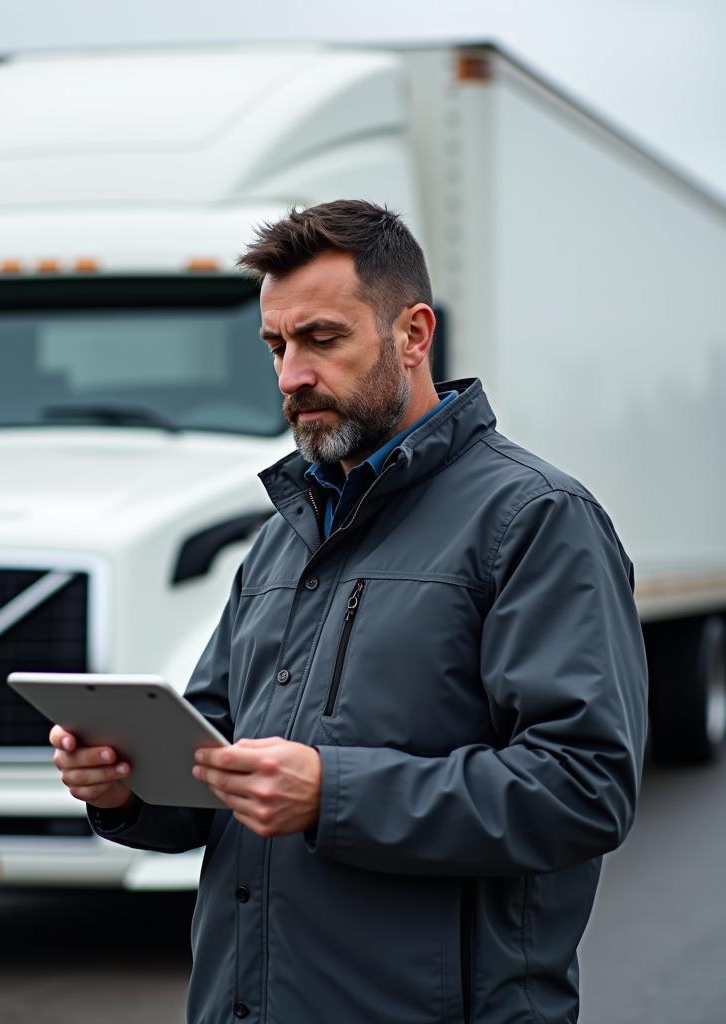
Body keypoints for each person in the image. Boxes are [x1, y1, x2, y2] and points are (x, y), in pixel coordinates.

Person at [50, 199, 648, 1024]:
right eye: (276, 346)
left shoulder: (534, 519)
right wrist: (123, 789)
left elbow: (584, 787)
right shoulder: (280, 539)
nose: (292, 374)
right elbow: (218, 767)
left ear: (413, 335)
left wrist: (335, 794)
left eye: (322, 339)